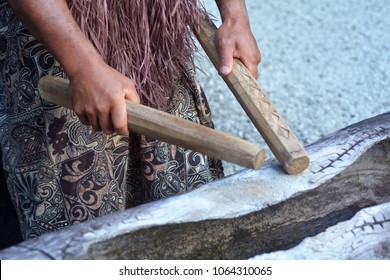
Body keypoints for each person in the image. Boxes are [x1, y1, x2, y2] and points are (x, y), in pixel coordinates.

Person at [0, 0, 261, 241]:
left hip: (159, 37)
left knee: (184, 205)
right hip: (61, 44)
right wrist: (83, 66)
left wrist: (235, 15)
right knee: (77, 236)